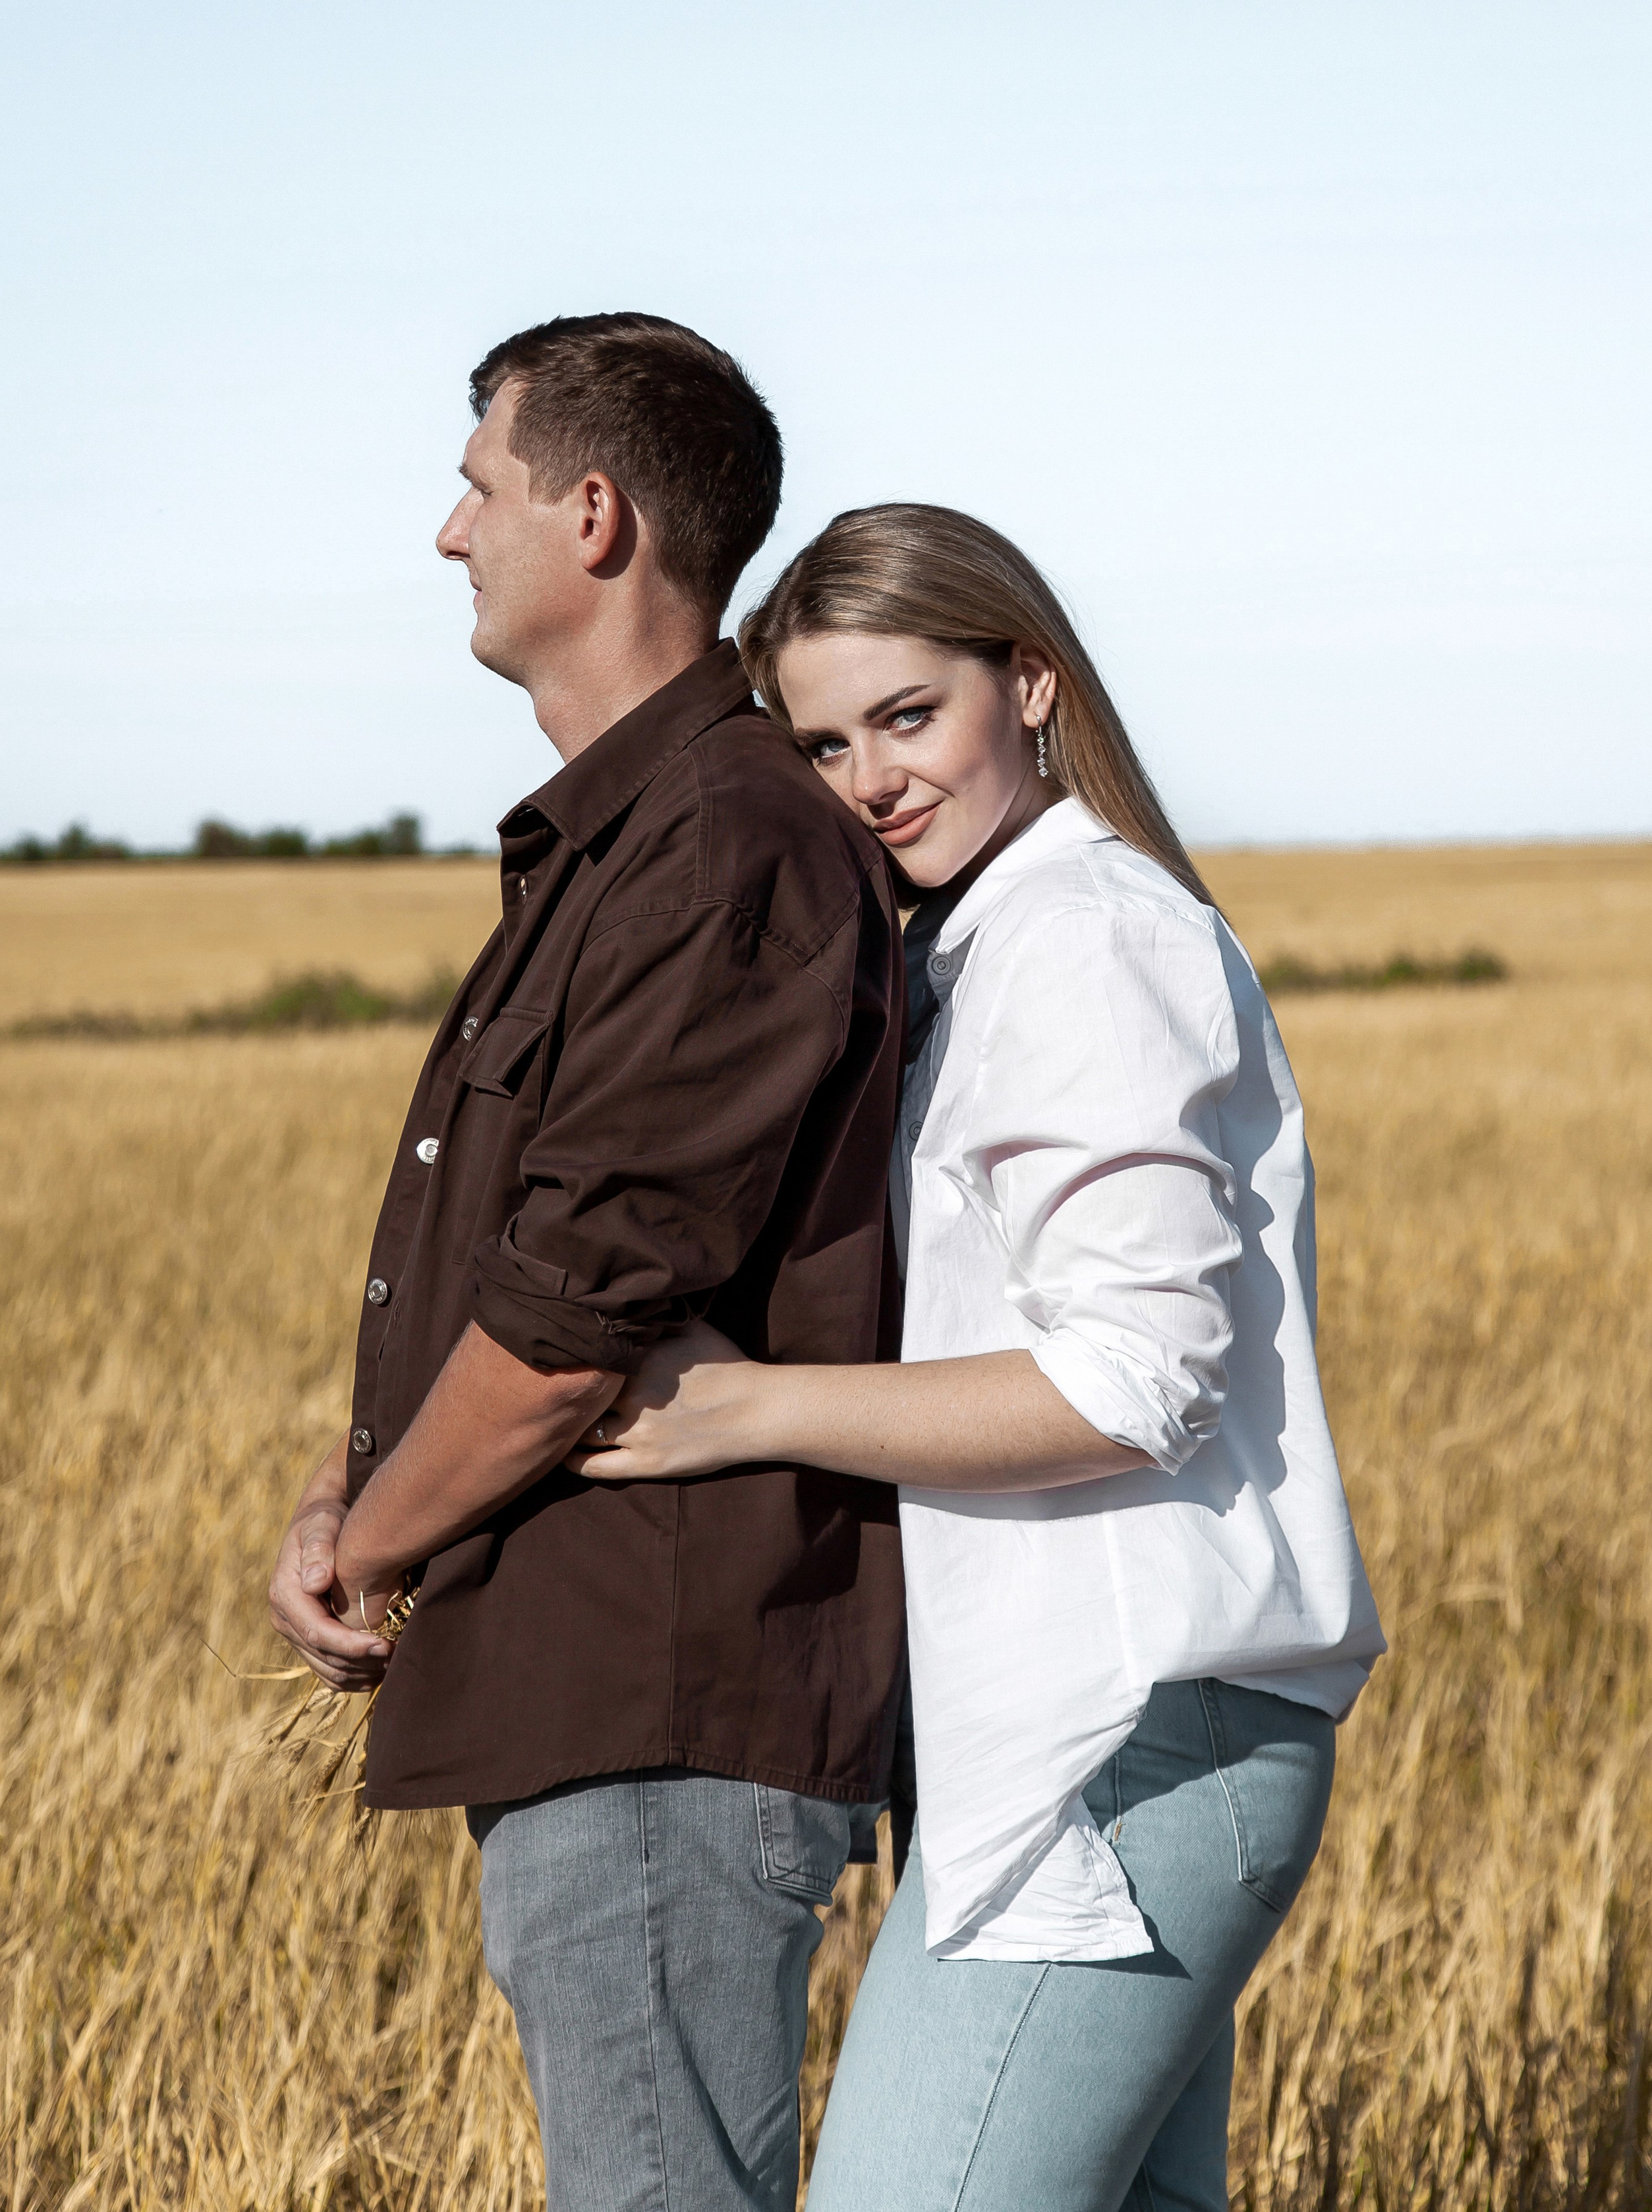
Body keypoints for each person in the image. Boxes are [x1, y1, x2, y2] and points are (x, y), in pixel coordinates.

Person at [573, 503, 1386, 2212]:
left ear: (1027, 684)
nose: (868, 775)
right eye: (821, 740)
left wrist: (746, 1409)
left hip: (1135, 1738)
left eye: (907, 715)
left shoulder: (1082, 933)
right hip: (1127, 1739)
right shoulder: (999, 931)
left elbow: (1135, 1379)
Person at [266, 317, 908, 2212]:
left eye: (481, 484)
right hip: (607, 1697)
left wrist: (364, 1551)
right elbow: (528, 1274)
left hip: (660, 1705)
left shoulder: (719, 845)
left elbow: (569, 1328)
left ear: (598, 514)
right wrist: (352, 1484)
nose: (451, 533)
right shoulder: (628, 842)